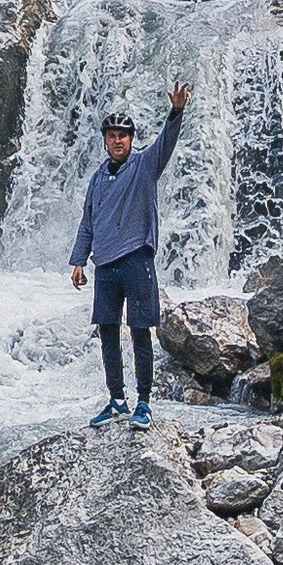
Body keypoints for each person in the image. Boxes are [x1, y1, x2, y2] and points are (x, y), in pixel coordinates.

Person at [69, 83, 189, 429]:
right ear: (105, 141)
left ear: (131, 139)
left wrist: (176, 111)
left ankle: (144, 404)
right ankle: (116, 399)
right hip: (105, 264)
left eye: (123, 135)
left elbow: (166, 142)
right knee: (107, 331)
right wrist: (79, 260)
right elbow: (88, 221)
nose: (118, 140)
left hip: (137, 259)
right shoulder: (97, 179)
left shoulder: (145, 165)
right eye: (112, 136)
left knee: (140, 331)